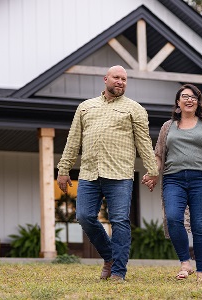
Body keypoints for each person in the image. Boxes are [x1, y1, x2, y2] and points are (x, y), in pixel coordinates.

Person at [57, 65, 158, 282]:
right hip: (89, 173)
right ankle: (110, 257)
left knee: (120, 220)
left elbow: (144, 142)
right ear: (105, 79)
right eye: (116, 78)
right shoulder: (85, 107)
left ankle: (118, 272)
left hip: (120, 174)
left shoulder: (135, 108)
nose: (120, 81)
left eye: (124, 79)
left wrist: (153, 170)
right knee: (84, 217)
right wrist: (64, 169)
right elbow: (73, 140)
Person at [143, 83, 202, 283]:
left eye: (194, 97)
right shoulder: (167, 126)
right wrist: (153, 174)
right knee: (172, 218)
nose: (190, 99)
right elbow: (159, 155)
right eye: (185, 96)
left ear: (198, 103)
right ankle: (185, 262)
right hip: (174, 178)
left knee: (199, 225)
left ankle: (201, 272)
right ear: (178, 103)